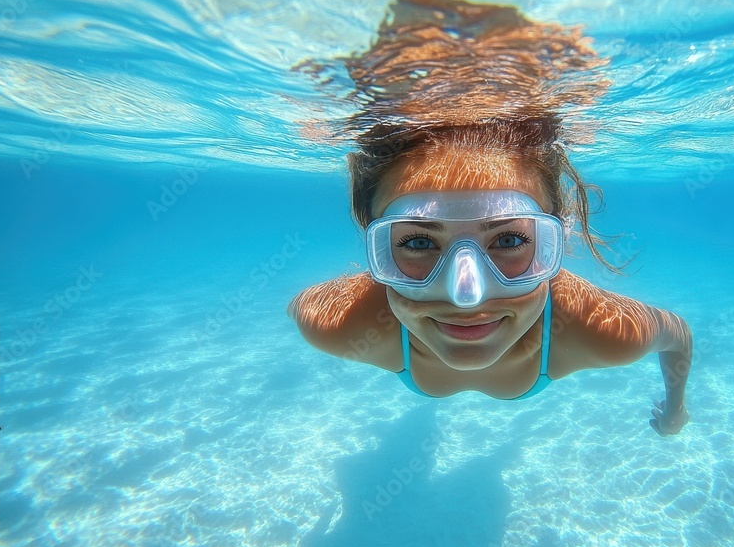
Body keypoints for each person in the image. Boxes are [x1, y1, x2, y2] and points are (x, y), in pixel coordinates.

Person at [288, 119, 693, 436]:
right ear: (375, 248)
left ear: (555, 242)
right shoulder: (337, 322)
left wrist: (677, 404)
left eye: (510, 239)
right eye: (417, 243)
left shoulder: (600, 330)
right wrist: (674, 408)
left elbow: (677, 334)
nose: (467, 296)